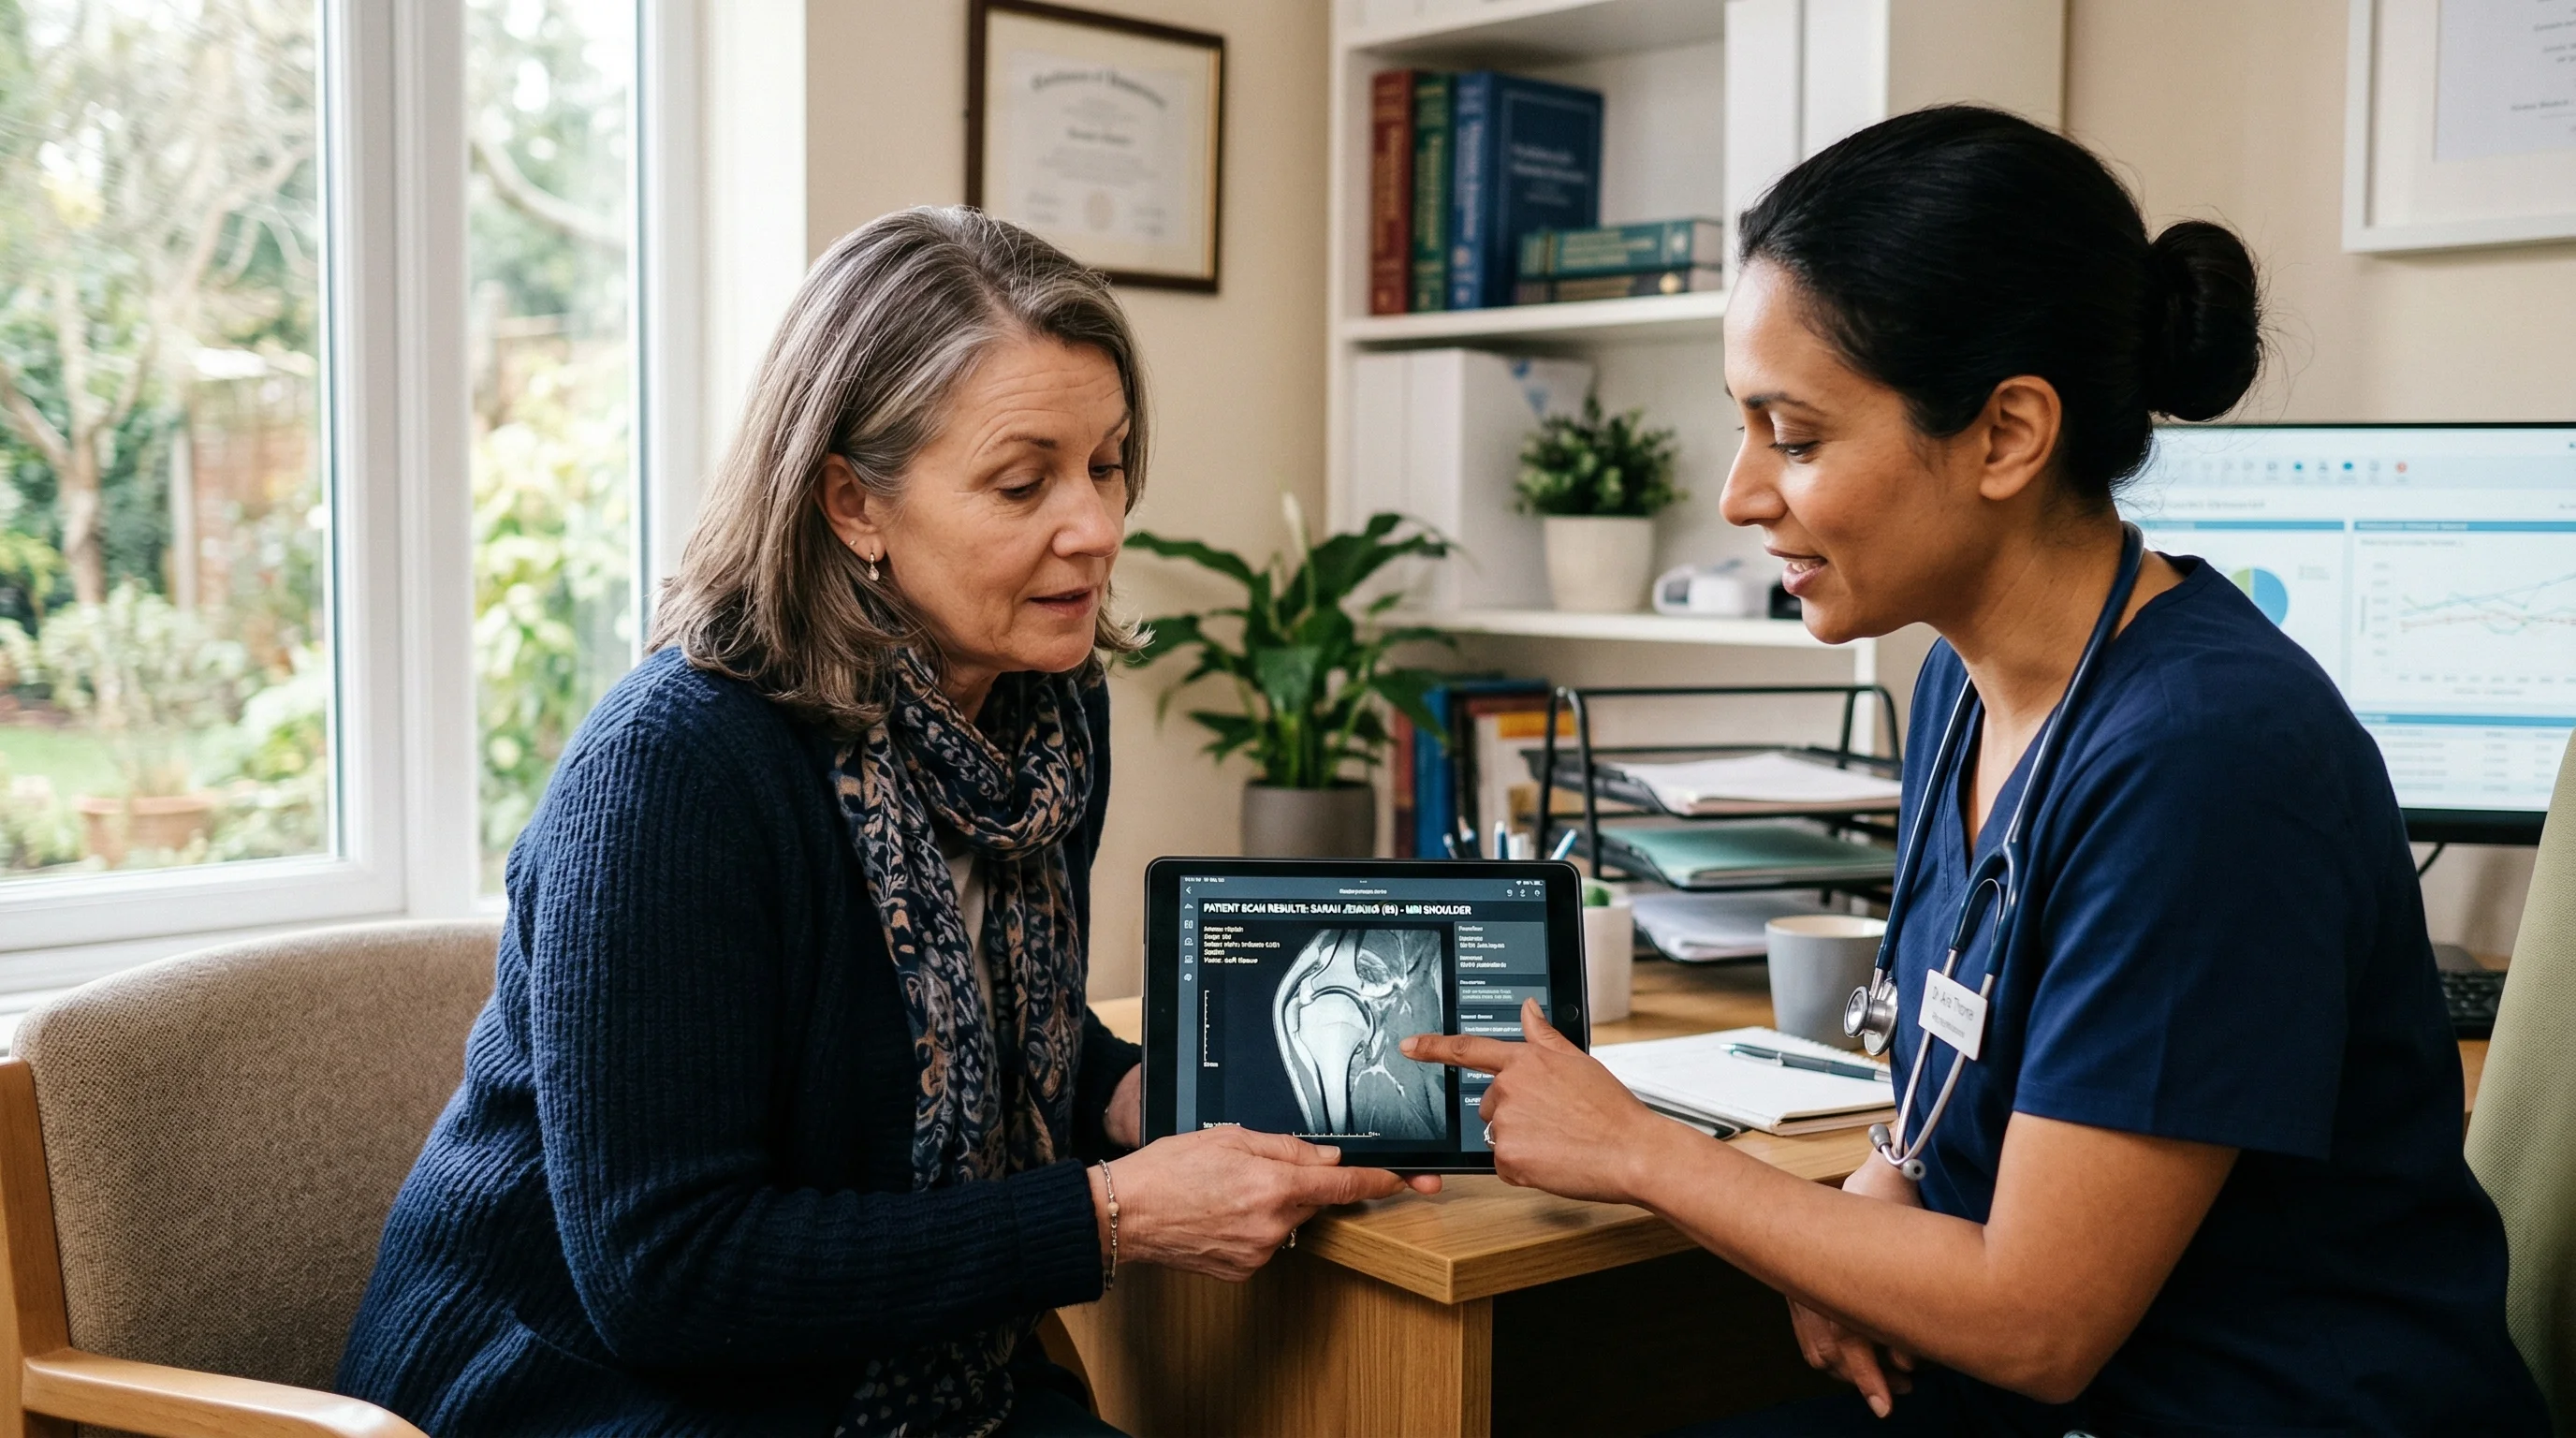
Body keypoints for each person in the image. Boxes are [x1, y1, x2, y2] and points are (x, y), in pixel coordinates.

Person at [1405, 107, 2550, 1435]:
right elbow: (1958, 1067)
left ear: (2008, 434)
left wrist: (1642, 1153)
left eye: (1796, 435)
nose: (1738, 495)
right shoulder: (1961, 679)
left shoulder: (2203, 759)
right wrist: (1868, 1213)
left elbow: (2038, 1319)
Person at [336, 207, 1430, 1438]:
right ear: (854, 505)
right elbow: (666, 1276)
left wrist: (1123, 1095)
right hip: (592, 1397)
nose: (1099, 527)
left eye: (1108, 463)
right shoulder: (670, 776)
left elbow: (964, 1031)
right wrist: (1108, 1217)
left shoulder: (1047, 720)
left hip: (886, 1375)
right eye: (1024, 483)